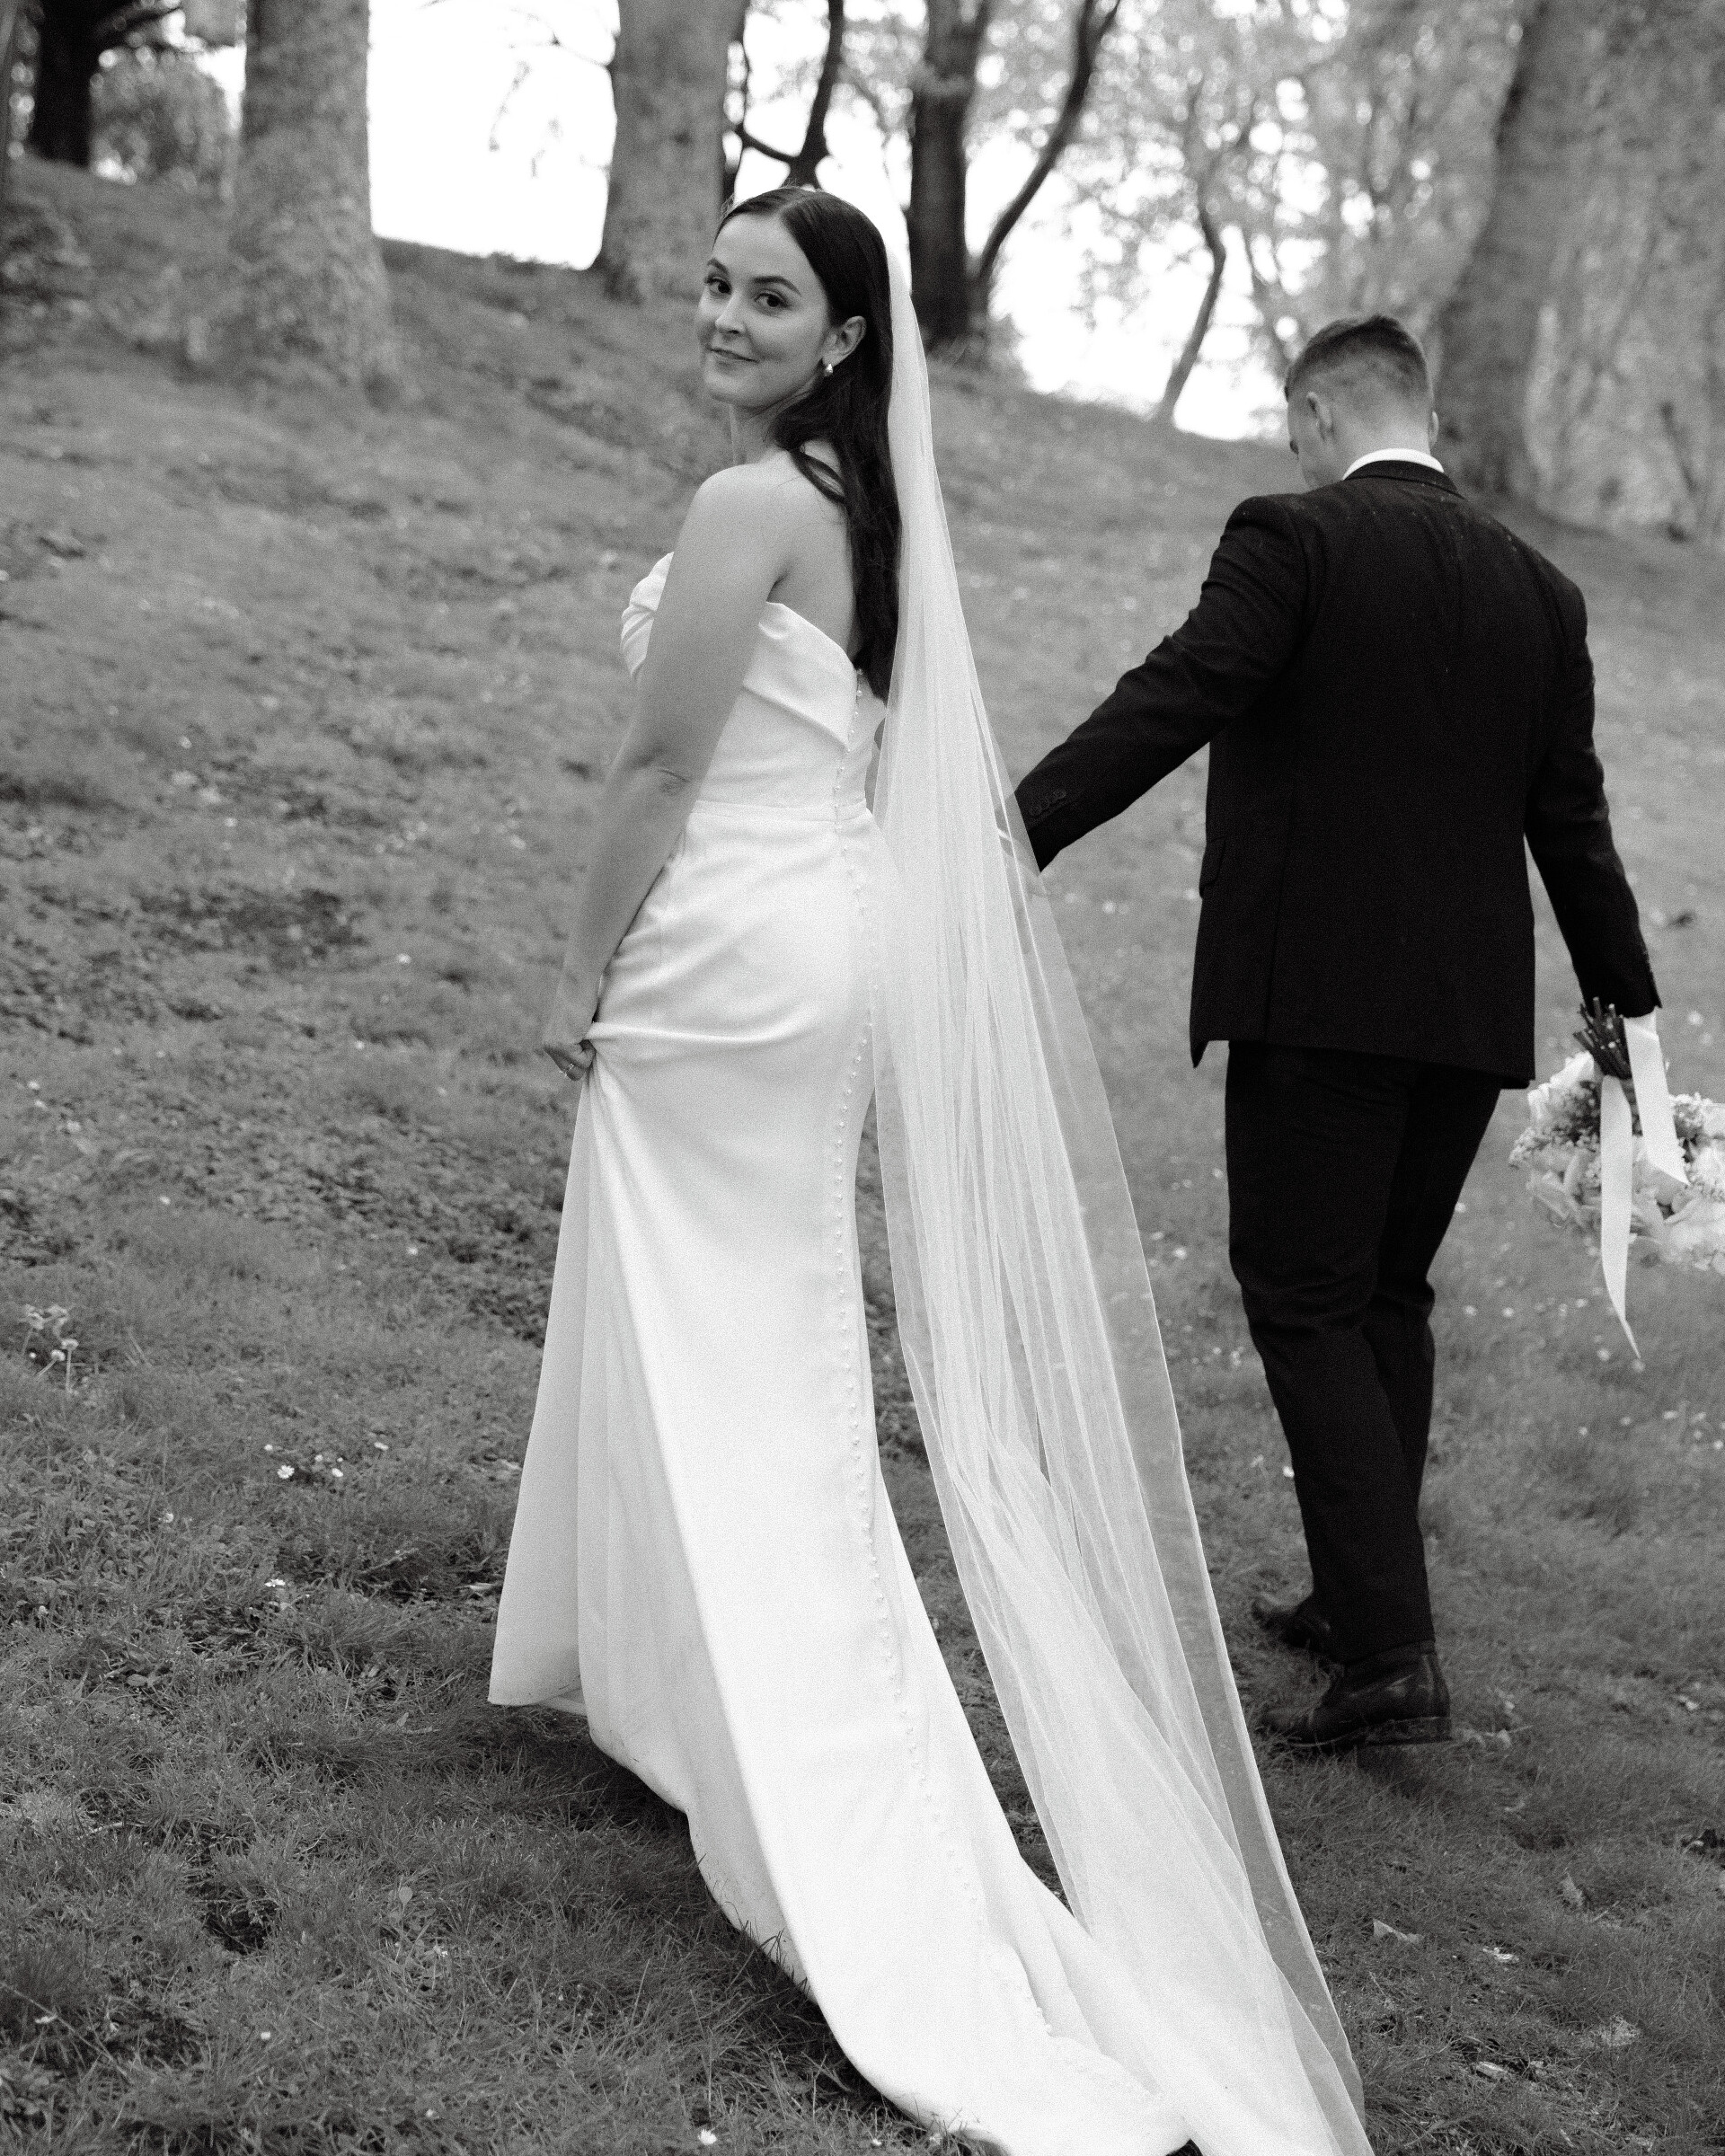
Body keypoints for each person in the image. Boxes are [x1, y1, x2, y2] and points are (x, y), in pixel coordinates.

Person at [490, 186, 1373, 2156]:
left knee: (737, 1364)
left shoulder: (753, 506)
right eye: (714, 281)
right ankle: (671, 1692)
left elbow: (658, 768)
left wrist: (576, 969)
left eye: (769, 295)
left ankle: (807, 1776)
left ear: (845, 338)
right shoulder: (867, 509)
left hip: (729, 958)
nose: (723, 313)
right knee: (738, 1344)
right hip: (820, 935)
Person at [1013, 314, 1660, 1754]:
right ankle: (1353, 1597)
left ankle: (1388, 1659)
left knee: (1306, 1301)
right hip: (1466, 1018)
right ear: (1423, 414)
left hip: (1317, 999)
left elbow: (1183, 690)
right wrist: (1624, 1011)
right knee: (1382, 1300)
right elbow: (1572, 819)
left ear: (1316, 413)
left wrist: (1017, 826)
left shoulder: (1293, 537)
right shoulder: (1541, 591)